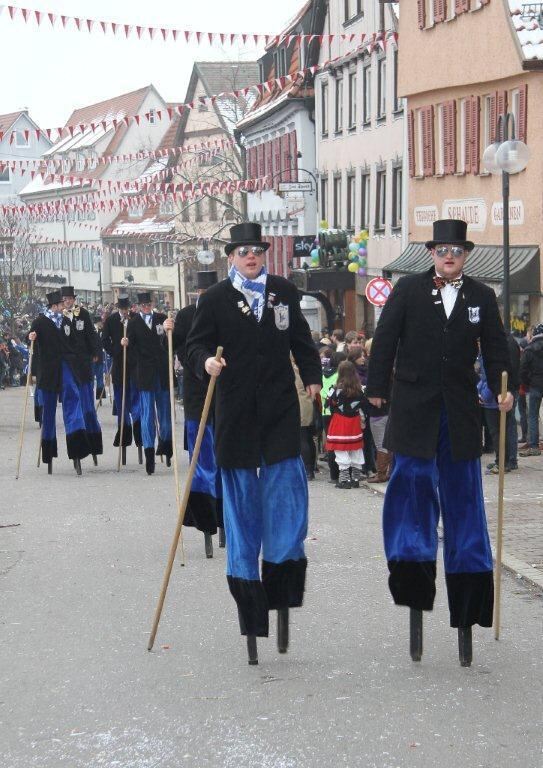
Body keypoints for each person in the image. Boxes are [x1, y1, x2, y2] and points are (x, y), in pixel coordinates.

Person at [366, 219, 513, 666]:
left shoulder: (481, 296)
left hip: (460, 413)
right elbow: (386, 339)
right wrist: (377, 388)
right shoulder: (409, 290)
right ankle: (412, 574)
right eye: (442, 249)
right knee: (410, 487)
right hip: (414, 409)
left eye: (457, 250)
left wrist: (504, 387)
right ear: (432, 253)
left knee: (465, 498)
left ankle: (468, 601)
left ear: (465, 255)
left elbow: (496, 347)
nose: (449, 256)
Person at [186, 222, 322, 664]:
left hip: (280, 412)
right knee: (242, 513)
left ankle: (282, 586)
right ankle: (250, 606)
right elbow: (195, 344)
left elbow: (301, 340)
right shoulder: (214, 300)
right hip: (237, 415)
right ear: (231, 257)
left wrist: (315, 379)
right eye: (243, 251)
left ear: (264, 255)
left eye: (257, 251)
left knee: (286, 500)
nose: (251, 257)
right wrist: (205, 360)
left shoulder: (283, 291)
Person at [164, 271, 224, 558]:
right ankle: (206, 521)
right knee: (201, 461)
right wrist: (167, 331)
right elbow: (178, 351)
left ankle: (227, 518)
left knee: (227, 459)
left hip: (226, 397)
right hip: (197, 397)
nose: (205, 295)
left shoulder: (228, 309)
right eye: (201, 292)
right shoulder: (186, 316)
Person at [28, 291, 92, 473]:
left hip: (65, 367)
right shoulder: (40, 322)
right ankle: (48, 451)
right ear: (54, 306)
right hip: (48, 370)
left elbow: (73, 343)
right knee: (48, 410)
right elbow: (29, 338)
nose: (65, 306)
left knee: (73, 401)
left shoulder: (65, 321)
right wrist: (31, 337)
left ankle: (77, 448)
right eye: (61, 304)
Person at [125, 291, 172, 475]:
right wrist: (126, 344)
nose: (146, 306)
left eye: (149, 303)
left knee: (165, 415)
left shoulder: (161, 318)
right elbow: (131, 351)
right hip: (144, 374)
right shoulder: (134, 322)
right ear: (138, 306)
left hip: (161, 371)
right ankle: (149, 453)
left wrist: (170, 331)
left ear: (153, 303)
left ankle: (166, 446)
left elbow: (170, 344)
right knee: (147, 415)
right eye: (143, 304)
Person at [61, 286, 103, 461]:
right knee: (73, 403)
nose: (68, 301)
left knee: (87, 407)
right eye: (65, 299)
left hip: (84, 364)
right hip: (69, 365)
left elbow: (91, 335)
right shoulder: (59, 318)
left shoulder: (83, 314)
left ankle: (92, 441)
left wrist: (95, 353)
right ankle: (77, 440)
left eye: (70, 298)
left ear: (74, 299)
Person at [101, 295, 142, 462]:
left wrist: (130, 344)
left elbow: (141, 340)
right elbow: (104, 340)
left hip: (134, 367)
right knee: (122, 405)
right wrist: (117, 348)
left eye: (126, 309)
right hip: (119, 367)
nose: (124, 312)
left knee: (137, 404)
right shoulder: (111, 321)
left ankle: (140, 440)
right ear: (118, 308)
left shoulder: (135, 319)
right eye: (122, 309)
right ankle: (124, 438)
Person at [325, 360, 365, 489]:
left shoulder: (336, 390)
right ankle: (356, 478)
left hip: (340, 421)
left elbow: (330, 405)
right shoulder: (360, 390)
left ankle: (344, 480)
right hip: (354, 422)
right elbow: (364, 406)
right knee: (355, 448)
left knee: (341, 449)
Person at [519, 322, 543, 457]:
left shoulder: (529, 349)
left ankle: (534, 446)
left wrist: (527, 383)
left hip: (535, 386)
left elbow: (522, 370)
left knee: (533, 416)